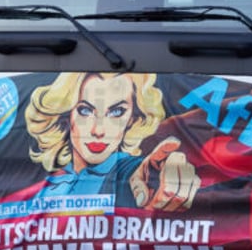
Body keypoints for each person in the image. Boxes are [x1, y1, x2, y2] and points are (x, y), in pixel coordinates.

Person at [25, 72, 199, 211]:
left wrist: (160, 177)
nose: (99, 131)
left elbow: (138, 173)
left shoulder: (128, 172)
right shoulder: (43, 185)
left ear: (132, 119)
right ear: (66, 115)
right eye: (85, 110)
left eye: (116, 112)